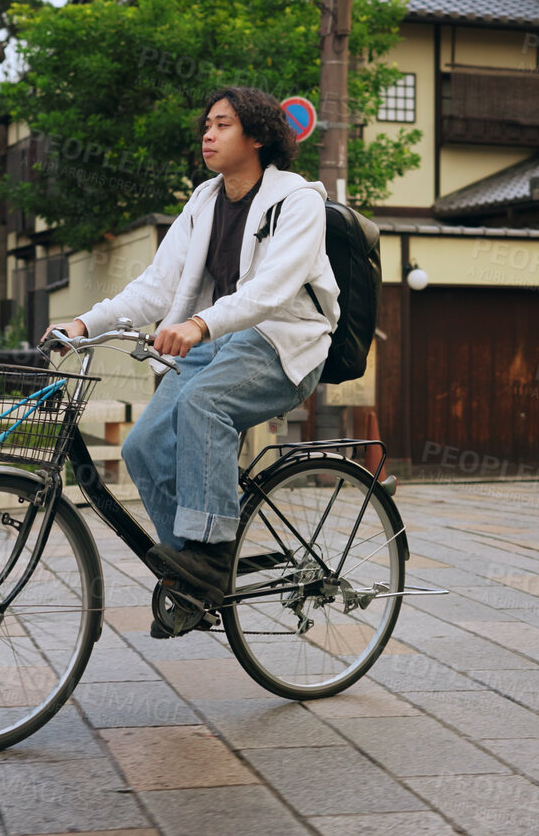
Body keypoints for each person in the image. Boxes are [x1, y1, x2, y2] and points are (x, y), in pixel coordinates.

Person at [52, 86, 338, 607]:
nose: (208, 133)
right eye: (207, 124)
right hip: (217, 342)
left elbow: (270, 291)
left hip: (283, 342)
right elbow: (155, 287)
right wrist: (81, 324)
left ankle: (211, 554)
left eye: (223, 124)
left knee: (206, 407)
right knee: (143, 447)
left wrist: (201, 325)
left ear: (256, 137)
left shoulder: (298, 201)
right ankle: (192, 573)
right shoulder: (204, 201)